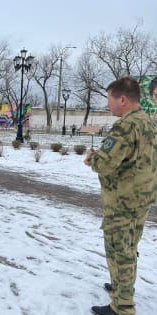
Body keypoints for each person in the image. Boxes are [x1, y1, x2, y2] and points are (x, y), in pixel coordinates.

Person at [84, 77, 156, 315]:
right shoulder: (149, 123)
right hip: (141, 199)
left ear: (122, 99)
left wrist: (92, 158)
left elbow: (104, 164)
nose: (108, 104)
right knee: (130, 247)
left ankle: (122, 307)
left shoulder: (125, 126)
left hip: (122, 202)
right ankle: (120, 287)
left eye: (109, 99)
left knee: (119, 251)